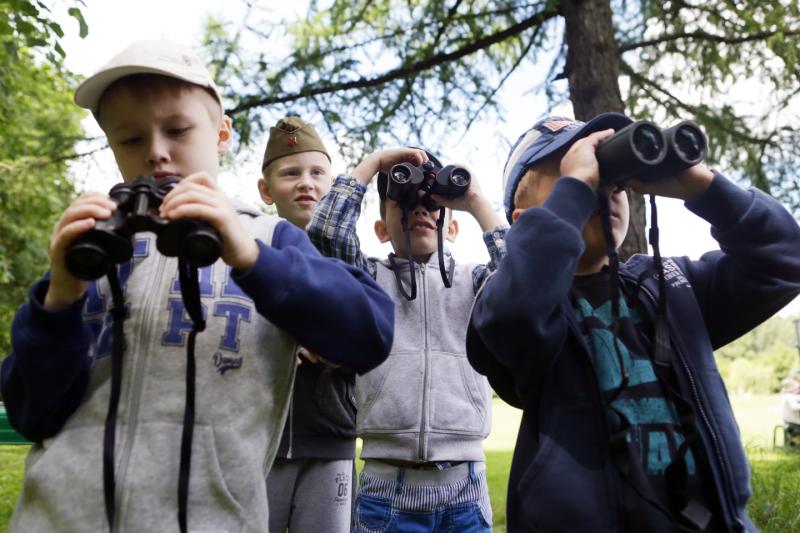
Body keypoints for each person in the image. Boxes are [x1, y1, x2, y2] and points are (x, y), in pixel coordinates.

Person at [0, 40, 394, 532]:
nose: (156, 153)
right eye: (129, 140)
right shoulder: (94, 250)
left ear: (222, 133)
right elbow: (29, 412)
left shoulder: (269, 238)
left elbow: (370, 333)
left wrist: (249, 255)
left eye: (178, 130)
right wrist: (58, 300)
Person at [466, 113, 800, 532]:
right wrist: (573, 193)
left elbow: (784, 260)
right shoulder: (517, 299)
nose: (600, 188)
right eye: (574, 176)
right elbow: (512, 314)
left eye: (611, 178)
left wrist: (702, 188)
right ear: (522, 220)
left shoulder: (672, 286)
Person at [307, 147, 507, 532]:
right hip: (386, 488)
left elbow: (522, 275)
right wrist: (372, 166)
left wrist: (476, 200)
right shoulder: (369, 279)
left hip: (465, 484)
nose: (420, 211)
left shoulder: (475, 282)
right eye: (405, 203)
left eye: (432, 205)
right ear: (382, 230)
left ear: (451, 225)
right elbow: (325, 235)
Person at [258, 115, 356, 533]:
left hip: (329, 441)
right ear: (265, 190)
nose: (306, 183)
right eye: (290, 173)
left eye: (318, 172)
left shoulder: (350, 262)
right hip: (258, 443)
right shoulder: (246, 254)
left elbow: (373, 345)